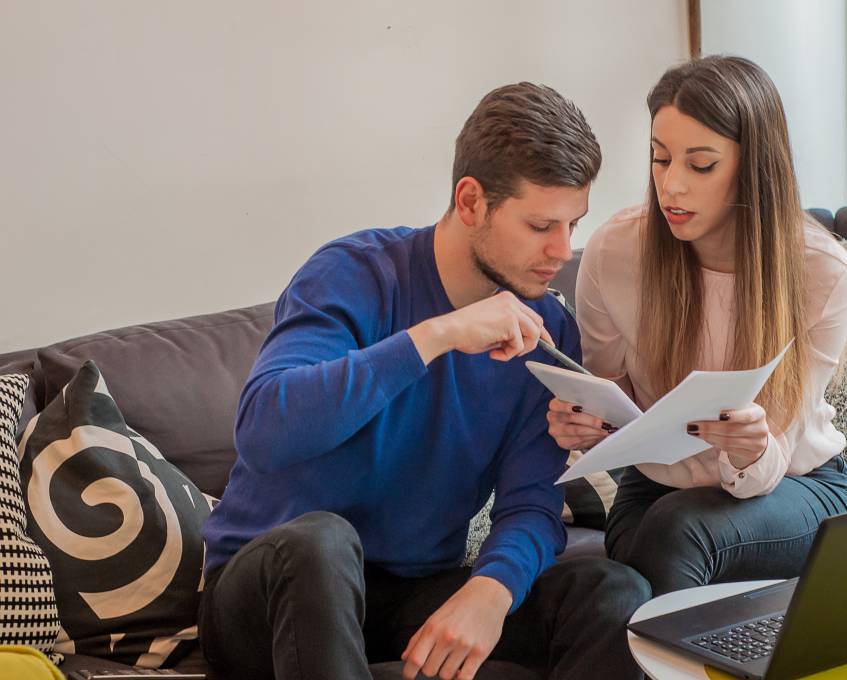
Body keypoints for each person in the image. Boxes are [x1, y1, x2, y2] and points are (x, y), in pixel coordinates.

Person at [198, 82, 650, 680]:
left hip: (407, 590)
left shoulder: (547, 330)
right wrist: (438, 335)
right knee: (322, 544)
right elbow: (265, 429)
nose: (562, 251)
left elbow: (531, 501)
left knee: (613, 593)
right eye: (541, 225)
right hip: (272, 591)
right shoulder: (352, 274)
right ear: (470, 202)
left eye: (573, 225)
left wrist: (491, 591)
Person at [546, 56, 847, 596]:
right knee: (655, 537)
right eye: (659, 158)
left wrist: (750, 447)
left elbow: (773, 463)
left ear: (753, 167)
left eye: (700, 165)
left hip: (797, 485)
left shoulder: (822, 271)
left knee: (676, 535)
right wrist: (586, 422)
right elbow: (610, 398)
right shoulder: (617, 251)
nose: (671, 187)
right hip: (654, 490)